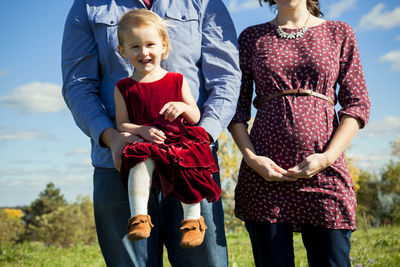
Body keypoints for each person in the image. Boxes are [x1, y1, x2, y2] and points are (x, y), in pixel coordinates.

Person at [61, 0, 240, 266]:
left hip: (191, 161)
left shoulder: (204, 3)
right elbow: (78, 84)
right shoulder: (88, 6)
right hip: (119, 163)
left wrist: (201, 138)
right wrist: (112, 138)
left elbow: (226, 78)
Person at [228, 0, 370, 266]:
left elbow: (357, 103)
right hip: (265, 177)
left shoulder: (339, 32)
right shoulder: (251, 37)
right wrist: (252, 159)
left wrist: (327, 158)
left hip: (325, 171)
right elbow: (236, 111)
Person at [114, 9, 221, 249]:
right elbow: (122, 124)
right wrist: (141, 130)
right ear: (123, 52)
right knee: (140, 161)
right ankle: (139, 217)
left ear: (164, 47)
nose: (144, 52)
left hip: (177, 140)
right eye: (135, 47)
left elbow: (195, 116)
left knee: (187, 165)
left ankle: (193, 220)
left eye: (150, 44)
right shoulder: (124, 87)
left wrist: (182, 105)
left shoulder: (176, 80)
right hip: (148, 143)